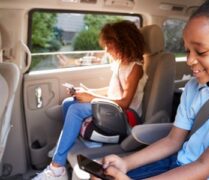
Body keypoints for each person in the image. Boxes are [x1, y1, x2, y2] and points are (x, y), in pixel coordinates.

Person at [98, 0, 209, 179]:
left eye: (200, 52)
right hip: (181, 164)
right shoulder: (194, 87)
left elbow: (204, 167)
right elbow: (173, 141)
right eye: (187, 51)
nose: (189, 61)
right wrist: (126, 163)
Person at [32, 20, 147, 180]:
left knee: (76, 109)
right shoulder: (120, 63)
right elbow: (111, 92)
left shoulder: (135, 67)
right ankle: (64, 147)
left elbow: (125, 102)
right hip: (114, 109)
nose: (106, 49)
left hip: (125, 117)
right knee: (69, 102)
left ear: (123, 42)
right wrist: (87, 92)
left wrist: (91, 98)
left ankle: (57, 168)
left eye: (109, 44)